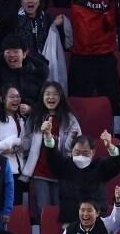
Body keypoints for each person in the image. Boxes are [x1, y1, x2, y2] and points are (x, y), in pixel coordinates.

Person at [23, 81, 82, 216]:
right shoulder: (35, 117)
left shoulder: (70, 119)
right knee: (42, 210)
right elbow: (25, 142)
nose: (51, 97)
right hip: (40, 172)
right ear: (42, 96)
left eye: (55, 94)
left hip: (61, 172)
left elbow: (76, 144)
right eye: (47, 94)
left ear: (61, 97)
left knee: (60, 210)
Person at [46, 126, 120, 227]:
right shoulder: (65, 166)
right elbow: (52, 158)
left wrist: (110, 146)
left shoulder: (100, 166)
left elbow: (117, 165)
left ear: (93, 152)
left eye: (85, 153)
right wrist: (48, 136)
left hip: (97, 220)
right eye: (77, 152)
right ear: (71, 151)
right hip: (71, 221)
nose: (81, 156)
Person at [67, 0, 120, 119]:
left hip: (106, 55)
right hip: (81, 56)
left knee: (113, 99)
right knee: (77, 100)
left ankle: (116, 132)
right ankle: (76, 132)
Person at [0, 27, 48, 125]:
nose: (12, 55)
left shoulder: (37, 73)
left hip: (30, 123)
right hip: (1, 122)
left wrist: (31, 109)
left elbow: (44, 103)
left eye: (16, 52)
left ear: (24, 54)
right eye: (8, 52)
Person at [0, 86, 29, 194]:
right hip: (0, 171)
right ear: (2, 99)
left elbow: (27, 145)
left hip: (19, 172)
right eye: (12, 97)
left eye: (18, 97)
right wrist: (14, 141)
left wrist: (16, 147)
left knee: (17, 208)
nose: (16, 100)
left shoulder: (22, 120)